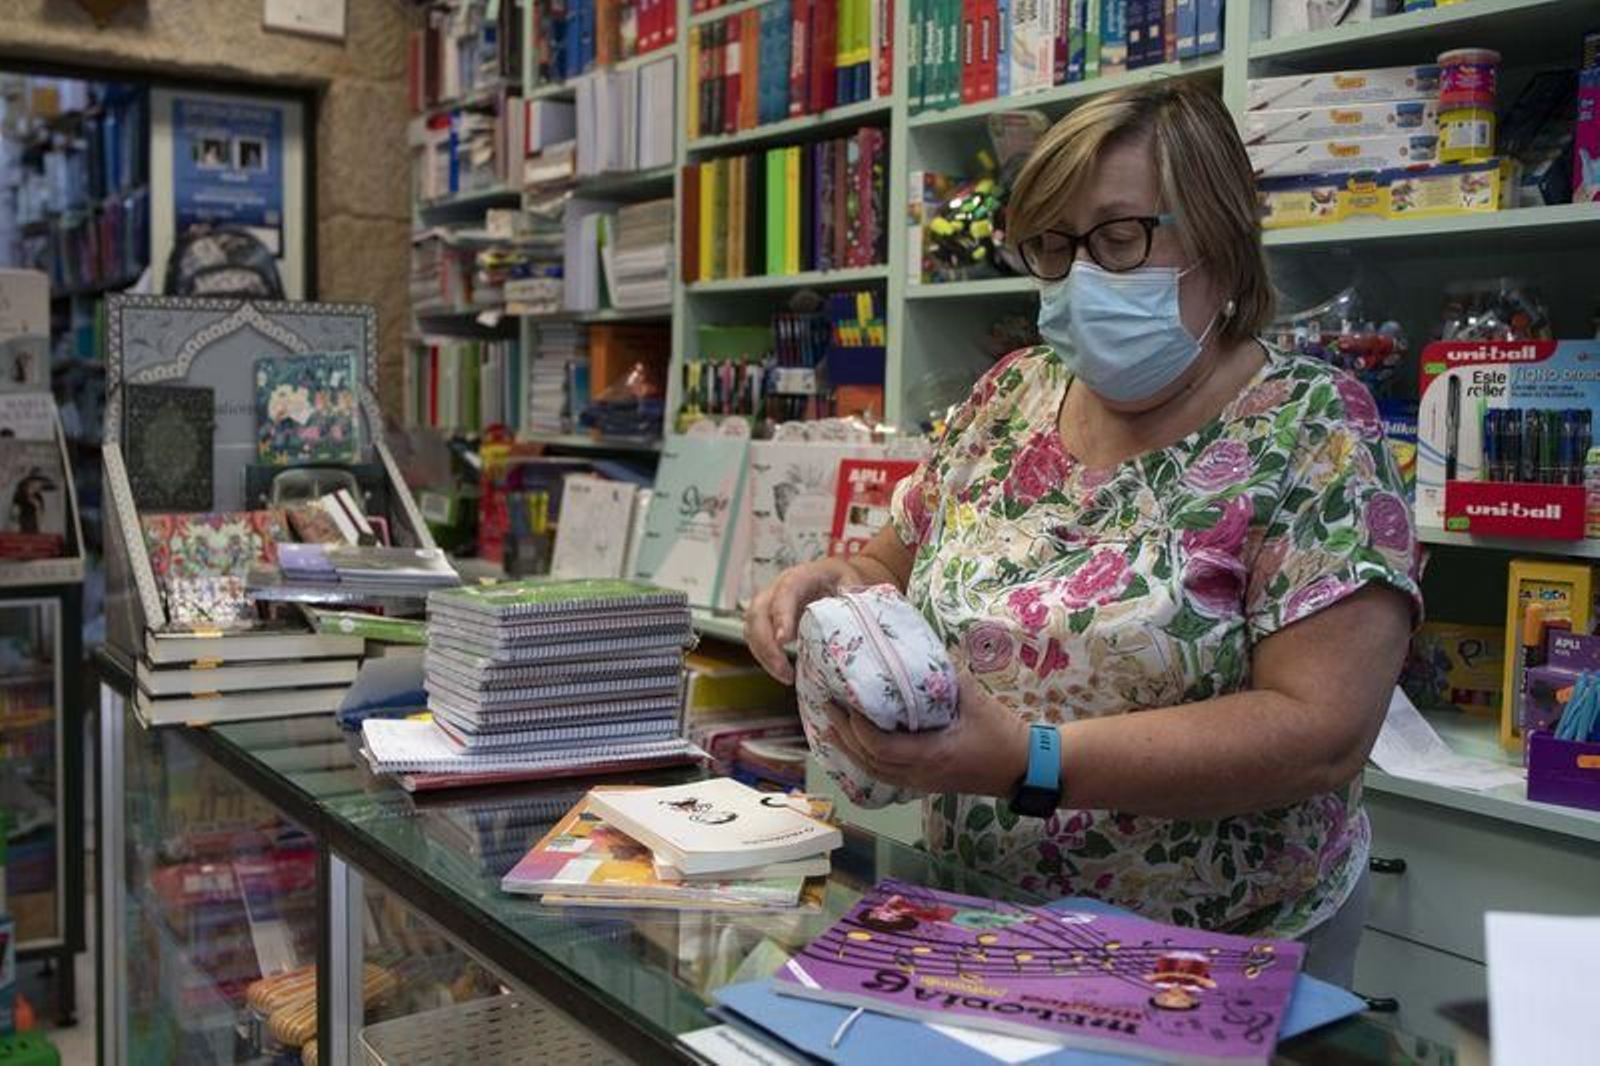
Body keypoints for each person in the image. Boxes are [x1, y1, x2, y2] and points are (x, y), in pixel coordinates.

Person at [746, 81, 1420, 987]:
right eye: (1055, 246)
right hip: (978, 911)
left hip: (1216, 950)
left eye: (1118, 238)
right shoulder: (1010, 397)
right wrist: (828, 586)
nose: (1082, 277)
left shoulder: (1313, 427)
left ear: (1219, 237)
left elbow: (1319, 732)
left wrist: (1034, 762)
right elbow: (885, 564)